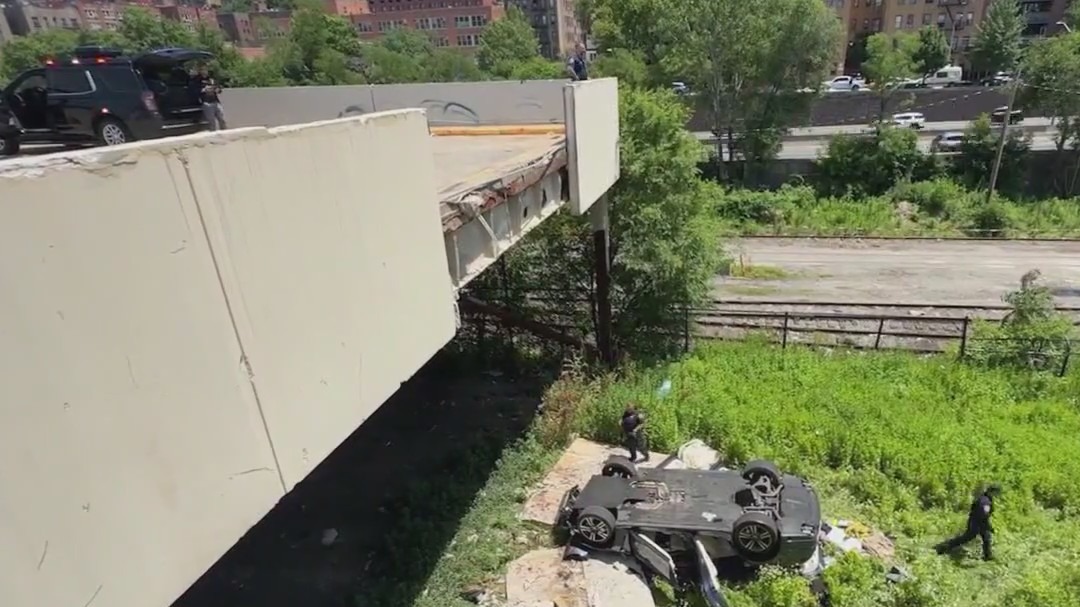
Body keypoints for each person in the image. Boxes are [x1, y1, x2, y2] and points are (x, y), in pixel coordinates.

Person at [934, 484, 1001, 561]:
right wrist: (988, 525)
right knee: (966, 537)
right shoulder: (985, 501)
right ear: (992, 491)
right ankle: (943, 547)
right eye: (997, 493)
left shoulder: (987, 498)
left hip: (980, 522)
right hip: (977, 522)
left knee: (987, 537)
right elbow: (983, 514)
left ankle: (988, 556)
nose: (997, 495)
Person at [193, 66, 226, 131]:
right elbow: (195, 91)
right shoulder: (197, 80)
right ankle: (213, 135)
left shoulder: (211, 80)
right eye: (202, 70)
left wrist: (217, 89)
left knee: (222, 119)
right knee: (212, 122)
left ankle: (225, 133)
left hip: (216, 102)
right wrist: (204, 90)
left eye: (206, 70)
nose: (205, 71)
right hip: (206, 103)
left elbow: (219, 89)